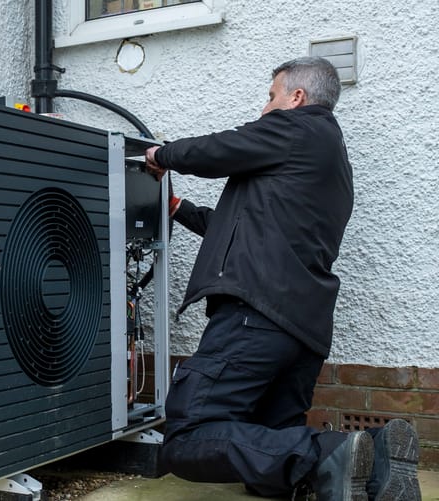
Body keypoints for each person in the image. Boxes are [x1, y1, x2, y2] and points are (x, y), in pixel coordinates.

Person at [144, 56, 421, 500]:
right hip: (302, 332)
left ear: (296, 97)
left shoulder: (298, 127)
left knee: (187, 437)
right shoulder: (330, 162)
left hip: (257, 316)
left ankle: (334, 451)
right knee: (269, 470)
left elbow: (218, 149)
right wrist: (180, 210)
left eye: (271, 96)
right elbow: (249, 226)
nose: (264, 107)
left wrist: (162, 154)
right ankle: (376, 470)